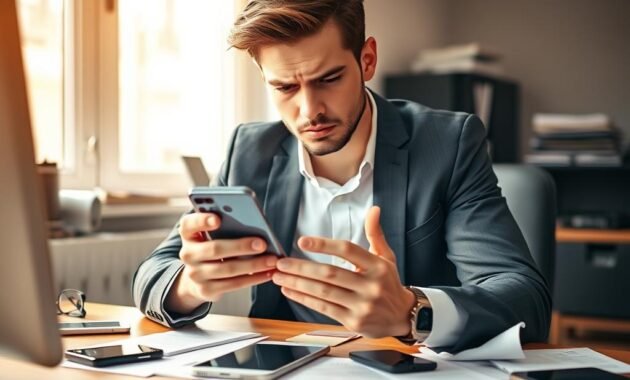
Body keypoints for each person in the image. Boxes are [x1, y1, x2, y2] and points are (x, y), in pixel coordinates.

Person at [133, 0, 550, 352]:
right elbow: (154, 273)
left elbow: (525, 299)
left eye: (329, 79)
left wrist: (411, 310)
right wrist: (189, 284)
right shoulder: (249, 150)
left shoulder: (448, 144)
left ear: (366, 59)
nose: (309, 110)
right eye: (284, 88)